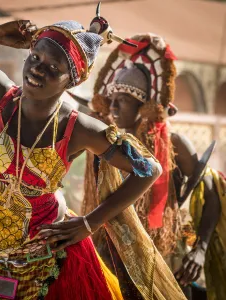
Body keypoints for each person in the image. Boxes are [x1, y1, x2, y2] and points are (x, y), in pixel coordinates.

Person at [0, 18, 175, 299]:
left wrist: (89, 223)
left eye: (53, 68)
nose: (37, 69)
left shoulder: (78, 129)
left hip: (47, 263)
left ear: (74, 79)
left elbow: (148, 168)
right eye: (35, 57)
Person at [77, 34, 223, 299]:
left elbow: (211, 189)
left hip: (164, 255)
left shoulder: (174, 143)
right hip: (115, 254)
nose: (113, 107)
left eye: (122, 99)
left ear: (143, 105)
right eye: (112, 99)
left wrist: (199, 250)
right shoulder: (109, 144)